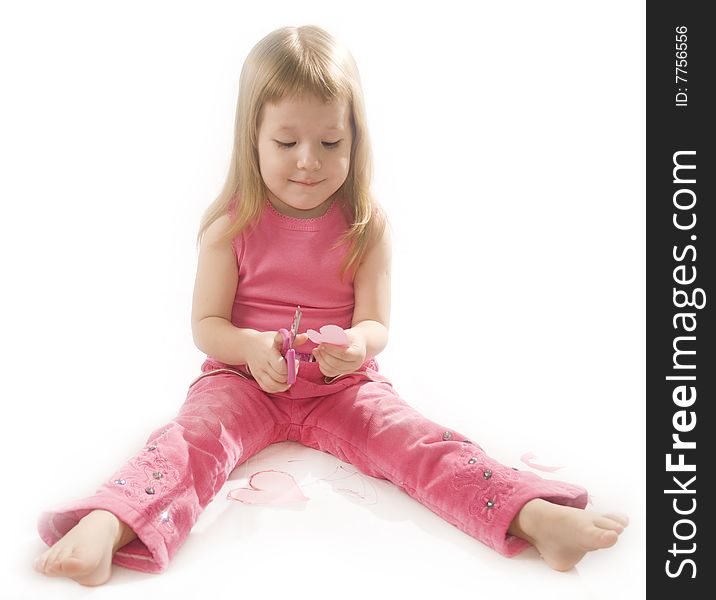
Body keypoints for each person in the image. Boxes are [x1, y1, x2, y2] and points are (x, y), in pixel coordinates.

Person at [33, 24, 628, 587]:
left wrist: (357, 345)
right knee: (189, 442)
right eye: (287, 142)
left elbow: (375, 323)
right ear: (253, 140)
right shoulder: (228, 225)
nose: (308, 161)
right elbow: (205, 325)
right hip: (241, 379)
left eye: (330, 141)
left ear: (355, 139)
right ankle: (109, 524)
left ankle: (533, 517)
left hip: (342, 387)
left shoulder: (367, 226)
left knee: (417, 442)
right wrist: (249, 347)